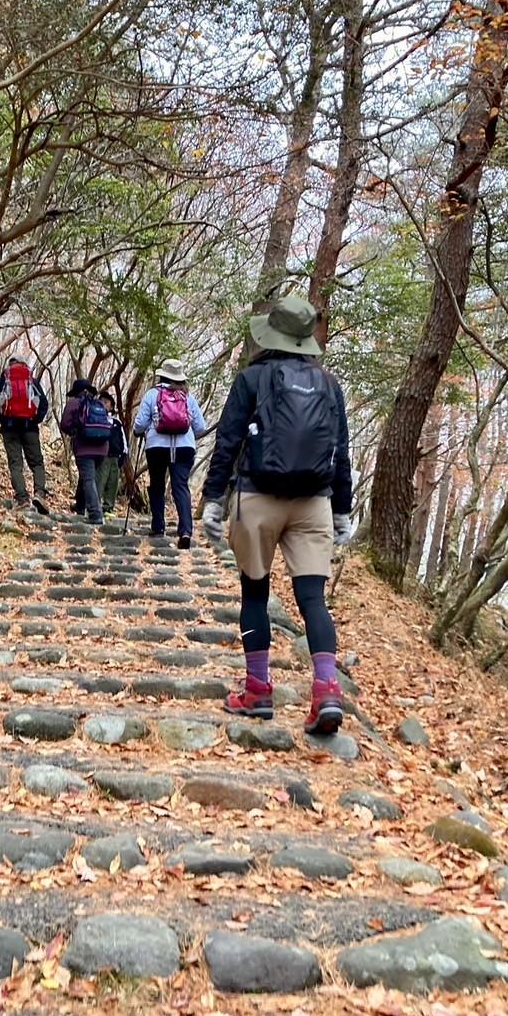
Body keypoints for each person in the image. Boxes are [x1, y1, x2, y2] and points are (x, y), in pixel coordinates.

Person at [199, 295, 354, 737]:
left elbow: (228, 441)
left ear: (271, 333)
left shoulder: (251, 378)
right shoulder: (329, 385)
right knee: (312, 600)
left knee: (254, 595)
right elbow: (341, 452)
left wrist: (213, 499)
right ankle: (326, 691)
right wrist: (341, 509)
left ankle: (257, 692)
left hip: (258, 498)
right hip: (313, 502)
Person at [133, 358, 207, 548]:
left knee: (157, 484)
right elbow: (200, 427)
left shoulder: (152, 394)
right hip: (184, 448)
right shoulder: (187, 397)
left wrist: (139, 431)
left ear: (162, 375)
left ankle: (158, 527)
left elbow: (140, 424)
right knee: (180, 486)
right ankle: (185, 531)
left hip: (157, 446)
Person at [0, 356, 50, 513]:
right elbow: (43, 403)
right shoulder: (31, 380)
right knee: (36, 462)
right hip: (29, 427)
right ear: (24, 364)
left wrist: (1, 419)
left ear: (9, 364)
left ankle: (22, 498)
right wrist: (35, 419)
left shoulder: (3, 380)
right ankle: (39, 494)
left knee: (16, 464)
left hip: (9, 428)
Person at [60, 378, 110, 524]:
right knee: (86, 476)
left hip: (84, 448)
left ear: (77, 392)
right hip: (102, 448)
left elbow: (64, 424)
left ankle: (95, 513)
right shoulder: (99, 404)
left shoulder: (74, 403)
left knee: (88, 478)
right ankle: (80, 506)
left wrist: (75, 431)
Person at [96, 392, 128, 514]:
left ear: (111, 406)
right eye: (101, 402)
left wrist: (123, 455)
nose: (104, 404)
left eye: (106, 402)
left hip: (115, 456)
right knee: (100, 480)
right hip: (102, 455)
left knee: (112, 482)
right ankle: (96, 506)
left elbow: (123, 440)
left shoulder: (116, 422)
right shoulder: (97, 418)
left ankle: (108, 506)